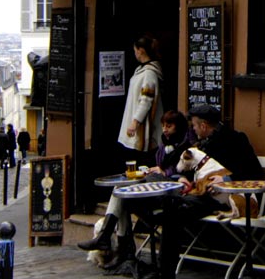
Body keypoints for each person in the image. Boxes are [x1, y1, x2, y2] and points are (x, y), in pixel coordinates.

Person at [138, 104, 263, 279]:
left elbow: (254, 172)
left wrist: (227, 178)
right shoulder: (199, 144)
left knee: (172, 213)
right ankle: (159, 268)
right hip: (196, 193)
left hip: (219, 199)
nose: (193, 130)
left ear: (204, 125)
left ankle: (164, 274)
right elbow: (190, 167)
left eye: (195, 126)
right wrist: (182, 178)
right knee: (162, 199)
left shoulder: (235, 140)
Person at [80, 109, 196, 260]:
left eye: (169, 126)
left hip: (169, 197)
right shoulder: (163, 146)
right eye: (163, 126)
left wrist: (164, 172)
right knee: (120, 191)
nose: (165, 129)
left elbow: (184, 174)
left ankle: (112, 243)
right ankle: (111, 241)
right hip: (154, 189)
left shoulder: (187, 149)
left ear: (178, 127)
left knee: (123, 195)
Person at [119, 35, 164, 160]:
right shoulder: (141, 70)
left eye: (135, 51)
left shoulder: (149, 73)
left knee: (139, 160)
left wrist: (135, 122)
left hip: (143, 127)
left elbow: (146, 100)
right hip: (136, 122)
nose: (135, 54)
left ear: (141, 50)